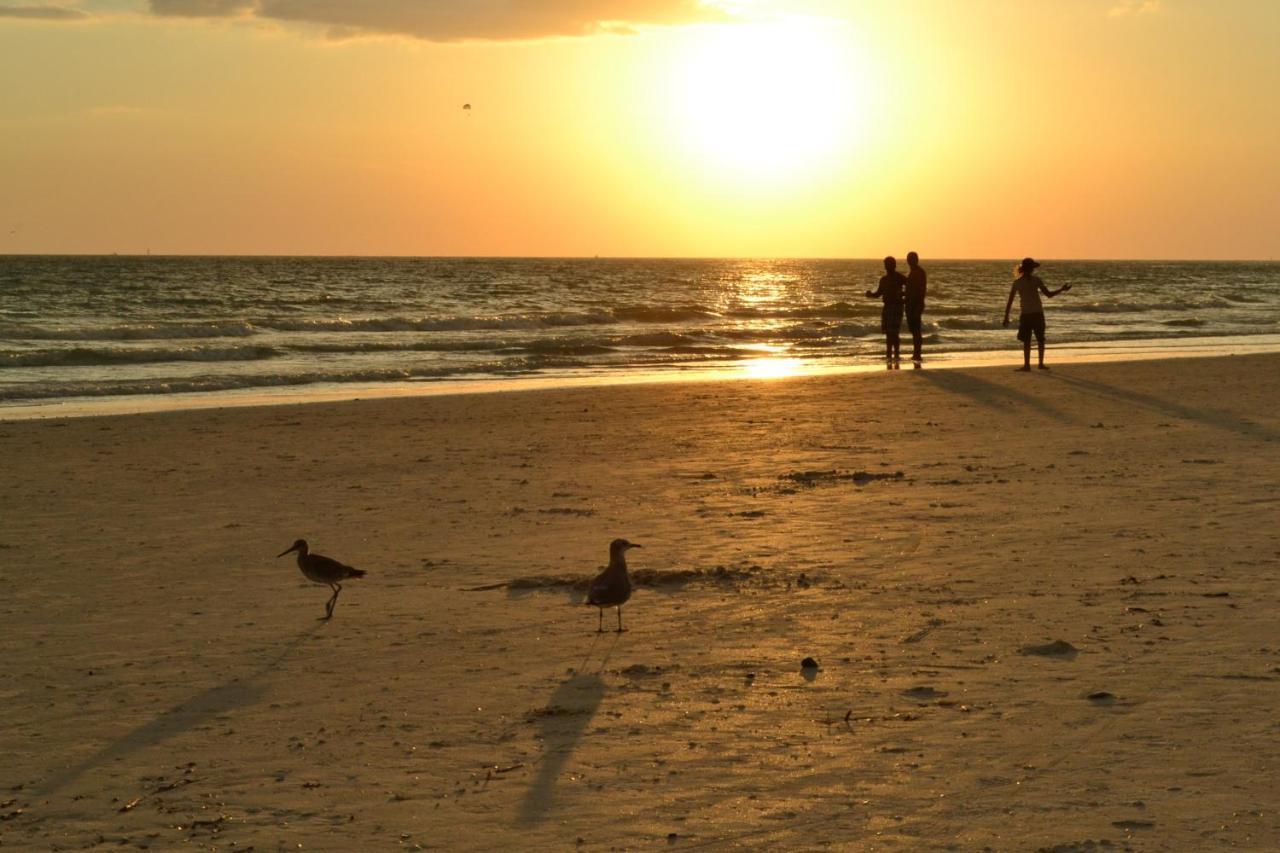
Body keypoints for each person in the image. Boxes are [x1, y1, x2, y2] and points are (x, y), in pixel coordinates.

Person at [1003, 257, 1071, 371]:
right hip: (1037, 313)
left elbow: (1010, 301)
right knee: (1040, 339)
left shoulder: (1017, 283)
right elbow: (1048, 294)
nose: (1033, 270)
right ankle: (1040, 364)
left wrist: (1006, 316)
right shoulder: (1036, 280)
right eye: (1032, 268)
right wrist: (1061, 289)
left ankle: (1027, 365)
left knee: (1027, 341)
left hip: (1026, 314)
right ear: (1031, 269)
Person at [866, 256, 907, 361]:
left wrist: (903, 294)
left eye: (888, 264)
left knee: (895, 332)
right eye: (886, 265)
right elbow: (878, 294)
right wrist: (870, 294)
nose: (887, 267)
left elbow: (911, 287)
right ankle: (889, 354)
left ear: (894, 265)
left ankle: (896, 355)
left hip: (897, 307)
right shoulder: (884, 279)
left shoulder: (900, 277)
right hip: (887, 307)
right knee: (889, 332)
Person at [905, 251, 927, 362]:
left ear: (916, 260)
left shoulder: (919, 272)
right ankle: (916, 352)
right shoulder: (912, 272)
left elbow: (921, 290)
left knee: (916, 330)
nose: (909, 261)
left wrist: (919, 305)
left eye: (911, 259)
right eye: (908, 259)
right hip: (910, 304)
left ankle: (917, 353)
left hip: (916, 304)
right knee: (913, 330)